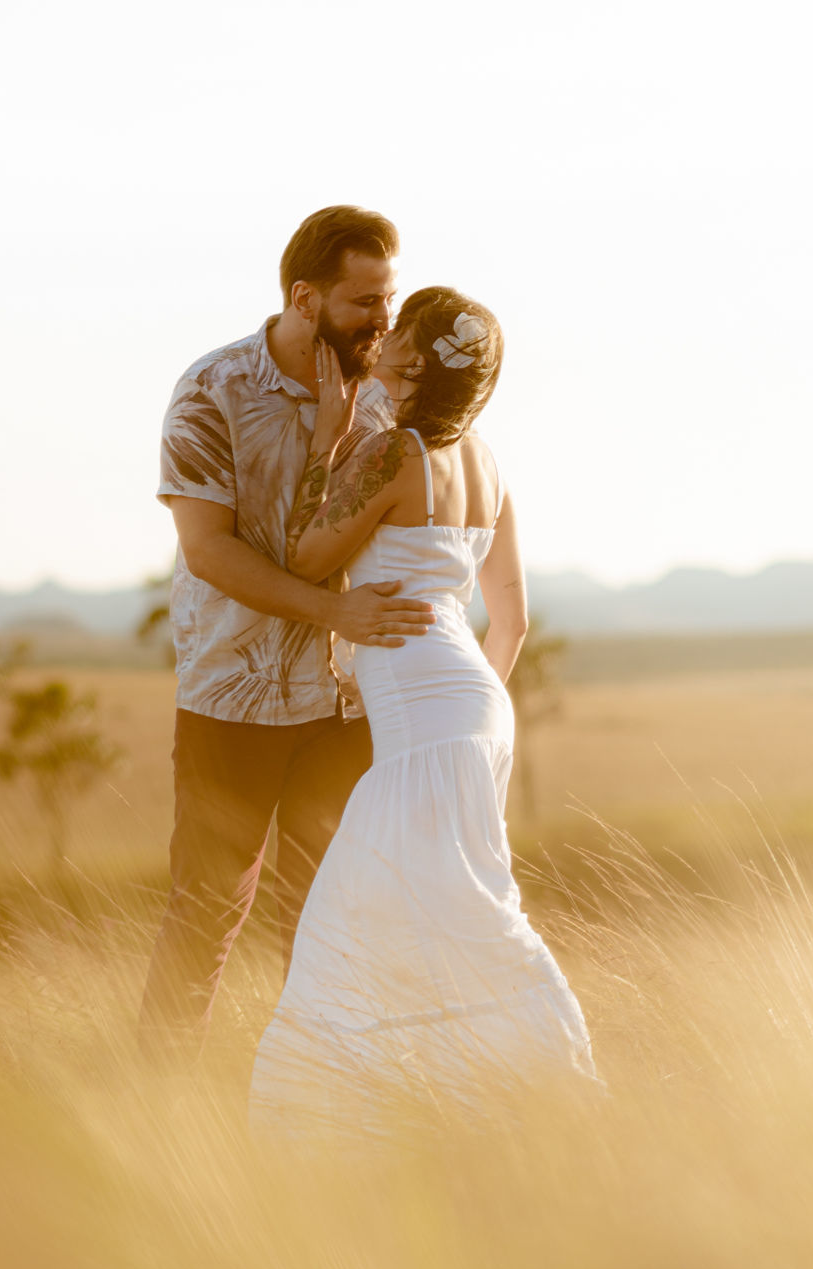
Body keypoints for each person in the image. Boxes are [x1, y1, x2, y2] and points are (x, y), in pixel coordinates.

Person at [248, 286, 599, 1135]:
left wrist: (331, 442)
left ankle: (364, 1117)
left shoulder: (393, 454)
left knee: (381, 909)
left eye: (401, 330)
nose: (388, 338)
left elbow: (301, 552)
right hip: (478, 708)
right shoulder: (488, 465)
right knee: (457, 901)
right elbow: (509, 619)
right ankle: (495, 1098)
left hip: (426, 718)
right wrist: (466, 708)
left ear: (414, 355)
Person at [138, 207, 437, 1058]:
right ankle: (156, 1103)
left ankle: (320, 1101)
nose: (382, 321)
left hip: (346, 705)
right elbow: (207, 551)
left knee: (328, 916)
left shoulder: (387, 398)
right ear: (305, 299)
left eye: (389, 297)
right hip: (232, 695)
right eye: (362, 302)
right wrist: (333, 610)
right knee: (205, 915)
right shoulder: (213, 390)